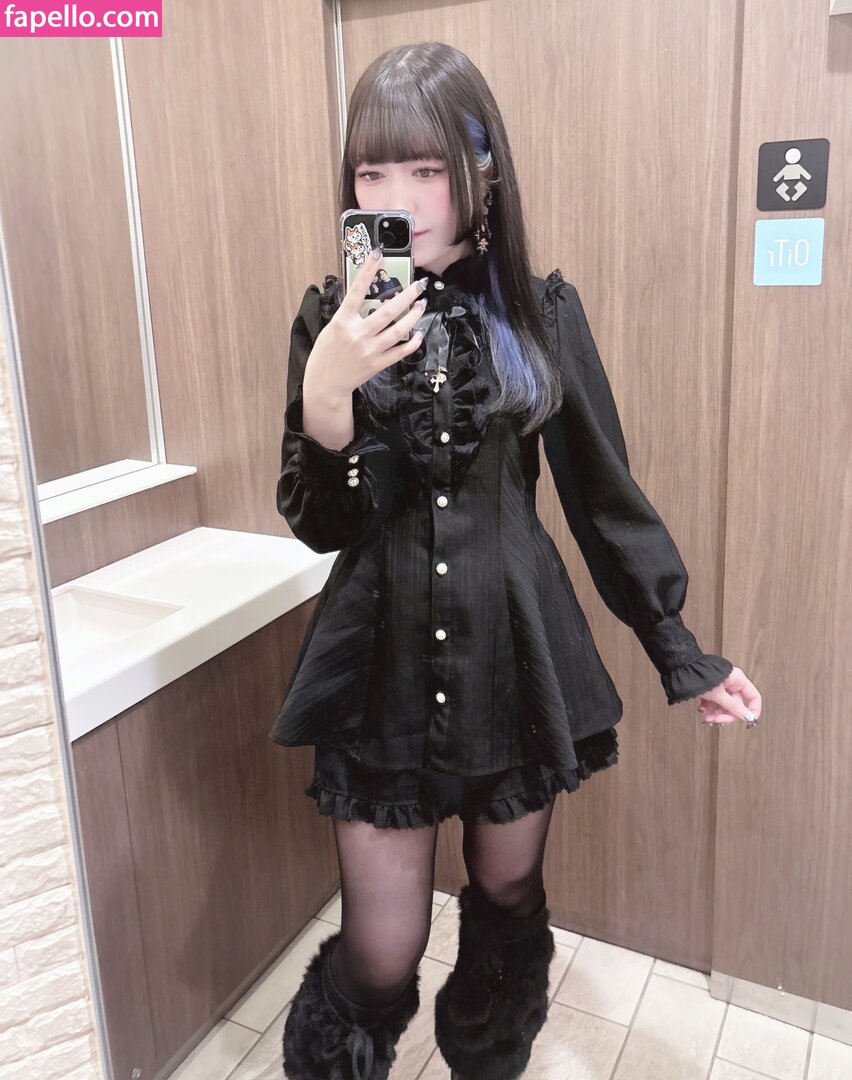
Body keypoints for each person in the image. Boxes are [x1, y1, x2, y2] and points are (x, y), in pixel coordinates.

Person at [272, 41, 762, 1080]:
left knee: (504, 907)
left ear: (481, 169)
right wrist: (328, 393)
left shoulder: (541, 315)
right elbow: (322, 523)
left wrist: (679, 647)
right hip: (378, 671)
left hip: (515, 661)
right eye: (372, 172)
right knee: (380, 951)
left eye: (426, 169)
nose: (397, 197)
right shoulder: (330, 321)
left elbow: (602, 495)